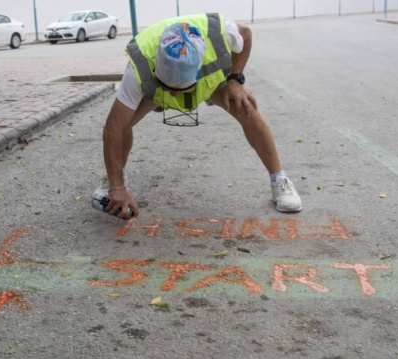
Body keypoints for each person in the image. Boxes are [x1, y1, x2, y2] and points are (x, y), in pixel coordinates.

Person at [94, 13, 301, 220]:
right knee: (124, 124)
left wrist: (235, 80)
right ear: (156, 65)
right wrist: (117, 187)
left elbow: (246, 34)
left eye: (180, 87)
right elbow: (113, 128)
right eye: (169, 86)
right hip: (155, 93)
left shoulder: (220, 32)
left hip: (210, 82)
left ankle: (279, 180)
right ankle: (115, 179)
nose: (175, 93)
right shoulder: (140, 61)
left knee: (247, 107)